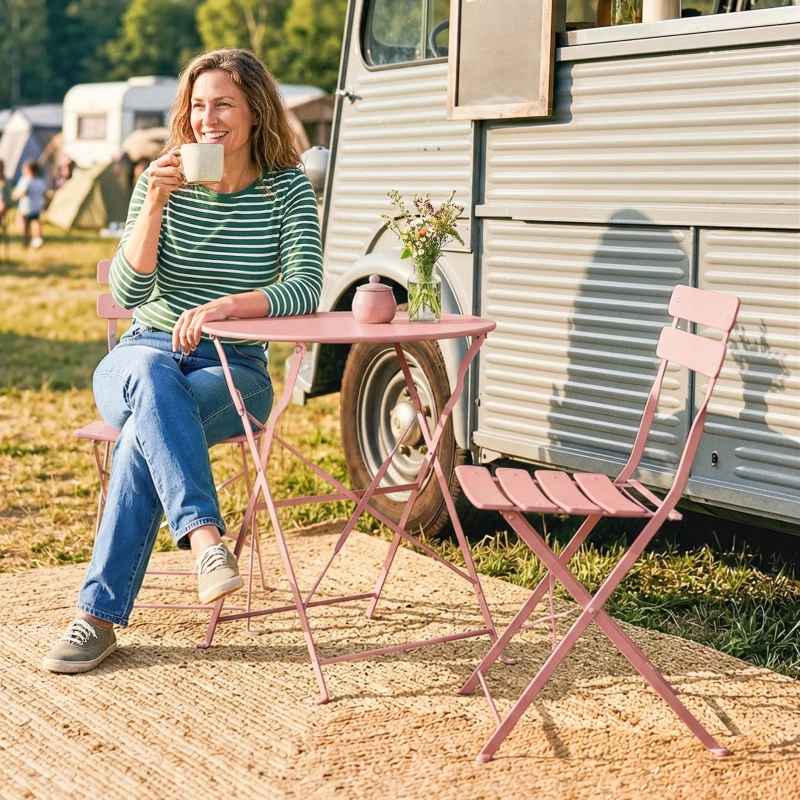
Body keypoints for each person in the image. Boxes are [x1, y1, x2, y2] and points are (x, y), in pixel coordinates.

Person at [43, 48, 323, 674]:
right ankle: (205, 541)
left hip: (235, 374)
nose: (207, 119)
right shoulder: (159, 181)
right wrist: (153, 207)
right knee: (148, 375)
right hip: (140, 354)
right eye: (197, 106)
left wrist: (229, 307)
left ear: (255, 110)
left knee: (147, 429)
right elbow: (127, 296)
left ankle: (96, 620)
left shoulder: (285, 189)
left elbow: (306, 285)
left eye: (223, 103)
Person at [12, 159, 47, 248]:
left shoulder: (26, 180)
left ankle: (25, 240)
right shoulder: (40, 181)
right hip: (37, 206)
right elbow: (44, 193)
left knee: (23, 224)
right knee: (36, 223)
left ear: (28, 170)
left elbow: (23, 192)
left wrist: (15, 196)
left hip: (26, 207)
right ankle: (37, 239)